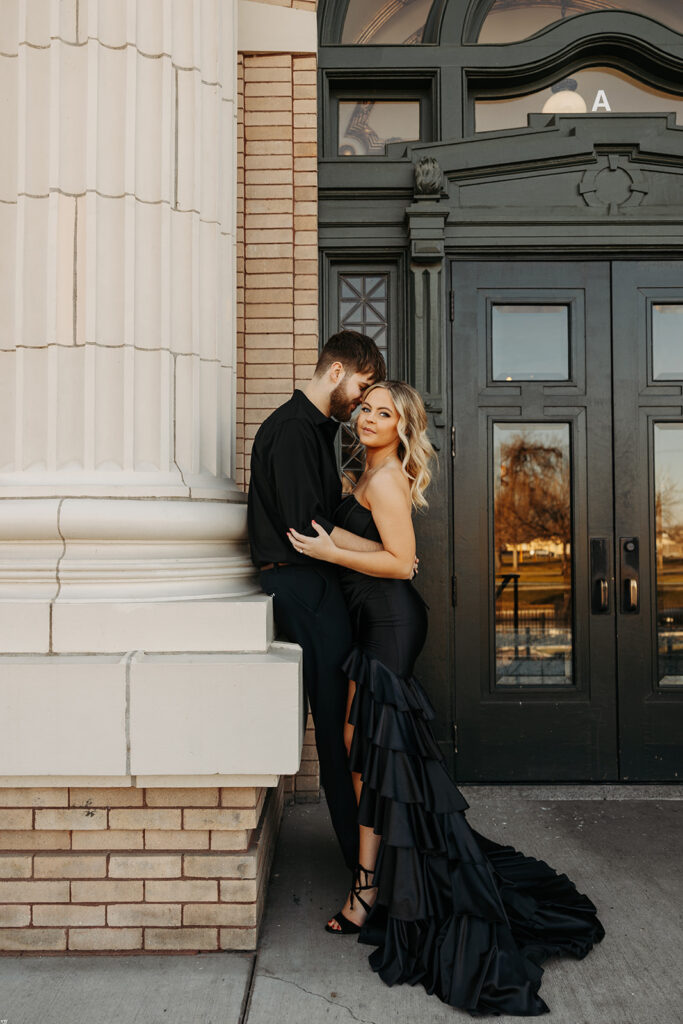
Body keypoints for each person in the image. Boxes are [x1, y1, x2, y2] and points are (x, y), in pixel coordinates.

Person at [287, 380, 605, 1017]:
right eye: (368, 409)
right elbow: (372, 546)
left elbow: (403, 563)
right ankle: (371, 883)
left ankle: (367, 891)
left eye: (386, 414)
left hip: (390, 624)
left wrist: (329, 550)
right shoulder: (370, 468)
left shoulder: (383, 480)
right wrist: (332, 544)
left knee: (371, 754)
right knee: (364, 751)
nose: (372, 418)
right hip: (375, 620)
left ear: (404, 428)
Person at [247, 330, 386, 872]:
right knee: (334, 726)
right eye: (363, 384)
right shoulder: (291, 431)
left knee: (341, 723)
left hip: (312, 585)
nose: (361, 398)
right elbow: (311, 530)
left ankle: (365, 857)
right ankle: (362, 865)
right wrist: (386, 551)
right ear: (336, 373)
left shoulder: (312, 432)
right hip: (301, 585)